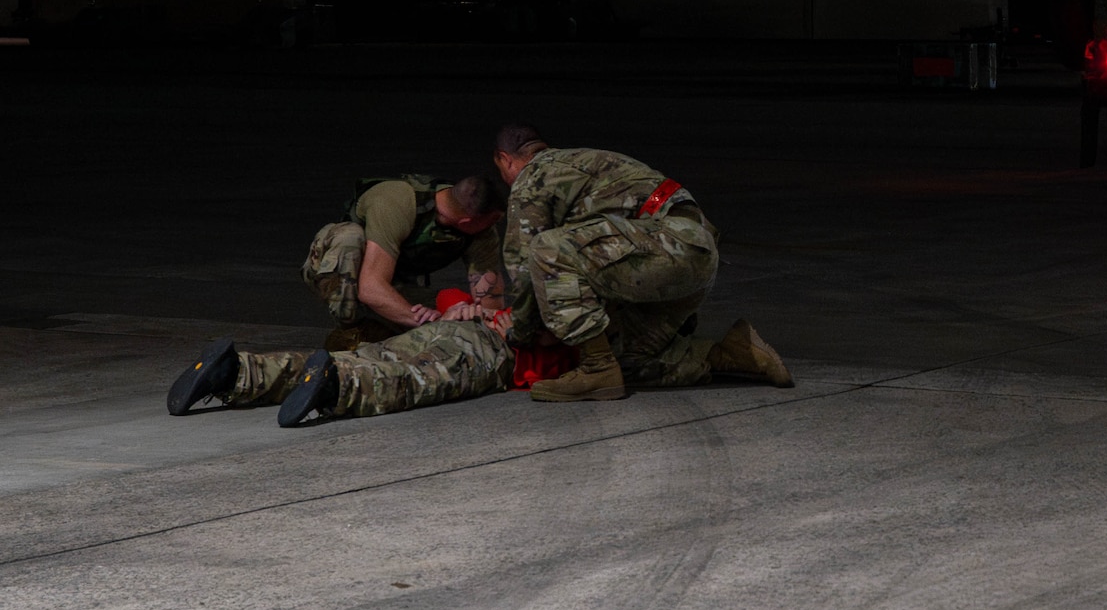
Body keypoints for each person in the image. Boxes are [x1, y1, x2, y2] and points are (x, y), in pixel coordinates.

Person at [491, 123, 793, 402]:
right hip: (693, 252)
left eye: (501, 171)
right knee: (628, 361)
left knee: (547, 249)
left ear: (505, 159)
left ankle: (597, 369)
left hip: (668, 246)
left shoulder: (533, 175)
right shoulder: (581, 160)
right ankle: (733, 353)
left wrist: (521, 335)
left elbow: (524, 267)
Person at [164, 315, 513, 426]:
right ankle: (340, 386)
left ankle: (237, 373)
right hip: (493, 345)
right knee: (416, 378)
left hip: (458, 325)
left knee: (362, 356)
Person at [302, 171, 508, 351]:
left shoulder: (480, 231)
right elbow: (370, 287)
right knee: (349, 237)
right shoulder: (397, 202)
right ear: (467, 221)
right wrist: (429, 322)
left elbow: (489, 301)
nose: (495, 226)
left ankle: (381, 332)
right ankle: (349, 333)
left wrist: (487, 329)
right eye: (493, 221)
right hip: (344, 274)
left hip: (394, 282)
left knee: (458, 309)